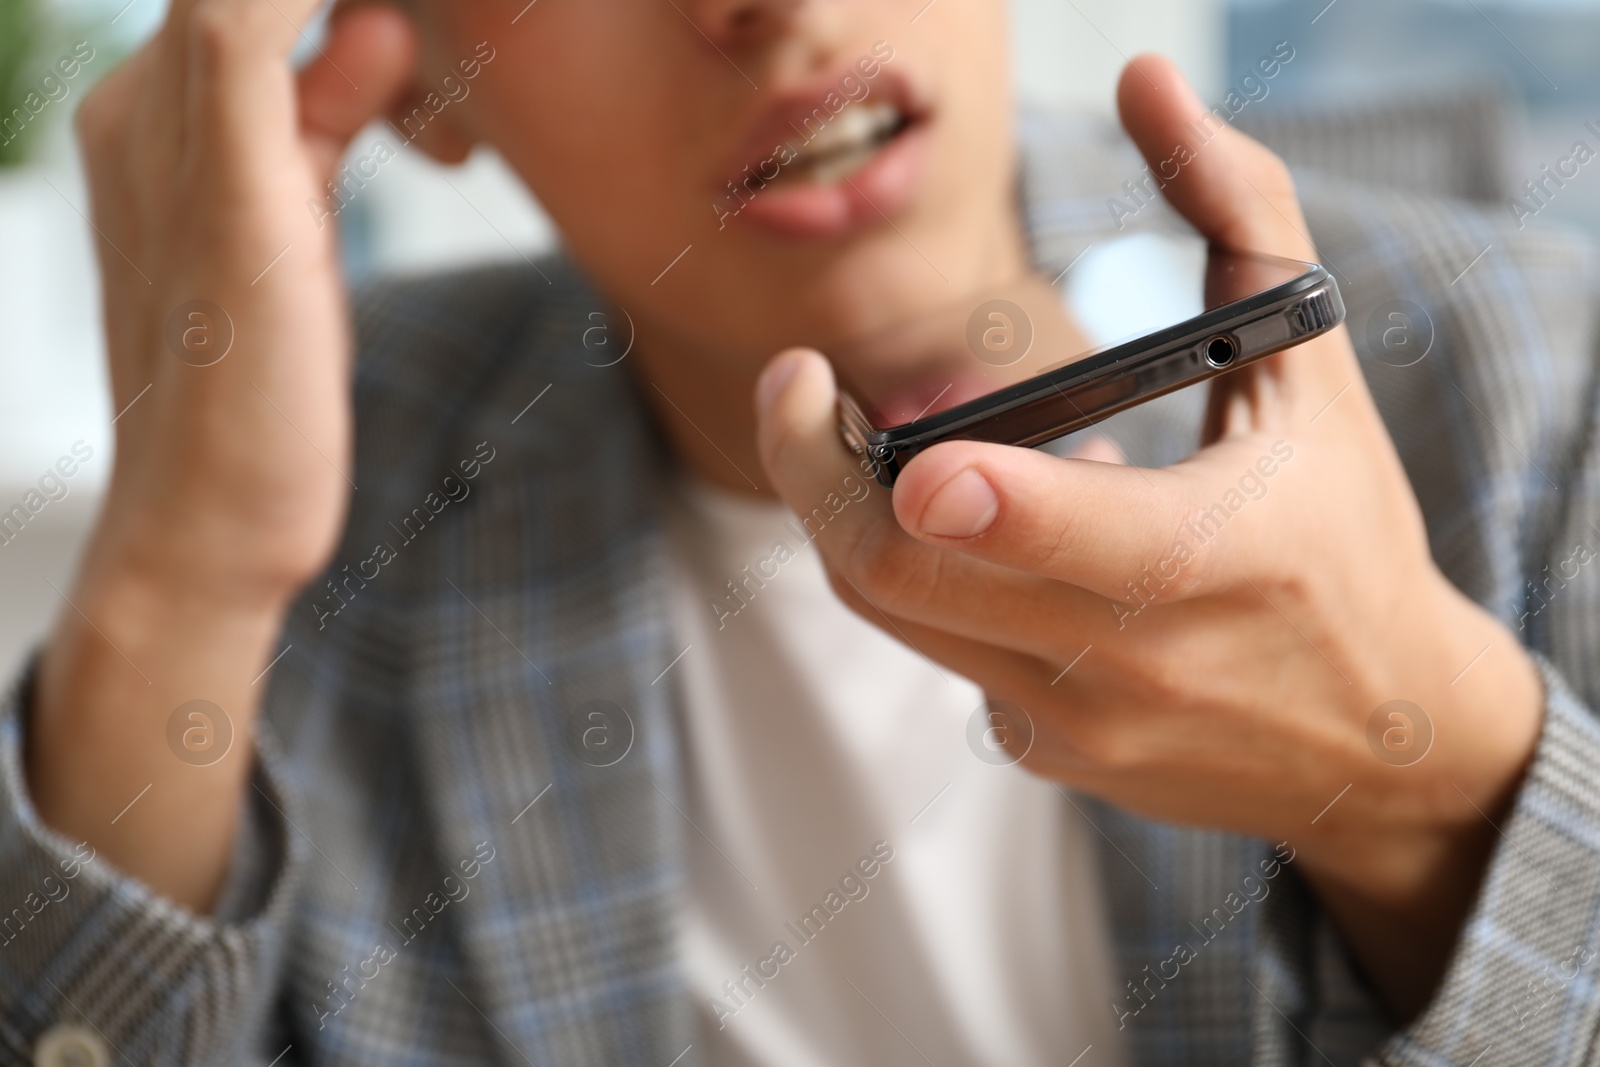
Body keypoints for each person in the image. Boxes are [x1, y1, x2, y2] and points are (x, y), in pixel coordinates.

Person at [3, 0, 1598, 1063]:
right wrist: (178, 580)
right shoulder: (330, 488)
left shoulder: (1543, 382)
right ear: (405, 66)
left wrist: (1429, 789)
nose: (761, 5)